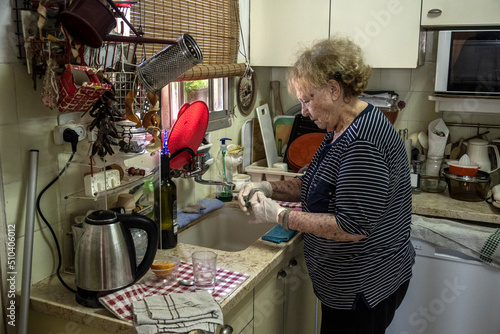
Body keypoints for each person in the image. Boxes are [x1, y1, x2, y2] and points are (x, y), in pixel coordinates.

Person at [238, 36, 415, 334]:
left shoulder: (363, 141)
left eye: (307, 100)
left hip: (364, 289)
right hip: (347, 288)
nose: (304, 111)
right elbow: (316, 183)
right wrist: (268, 188)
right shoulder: (341, 127)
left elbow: (351, 227)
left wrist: (279, 215)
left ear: (333, 89)